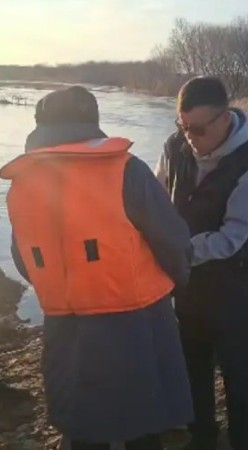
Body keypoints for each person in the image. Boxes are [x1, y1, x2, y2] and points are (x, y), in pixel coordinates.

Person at [1, 86, 194, 449]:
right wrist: (181, 279)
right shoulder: (125, 168)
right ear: (93, 122)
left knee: (82, 422)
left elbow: (24, 259)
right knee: (143, 422)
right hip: (136, 319)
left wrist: (64, 288)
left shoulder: (21, 184)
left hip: (64, 322)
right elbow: (173, 240)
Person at [154, 77, 248, 450]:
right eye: (183, 126)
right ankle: (202, 438)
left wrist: (178, 250)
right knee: (194, 373)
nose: (190, 137)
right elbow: (157, 197)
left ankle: (244, 442)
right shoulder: (175, 147)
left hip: (233, 291)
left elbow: (232, 236)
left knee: (239, 380)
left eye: (199, 129)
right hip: (188, 287)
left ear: (225, 119)